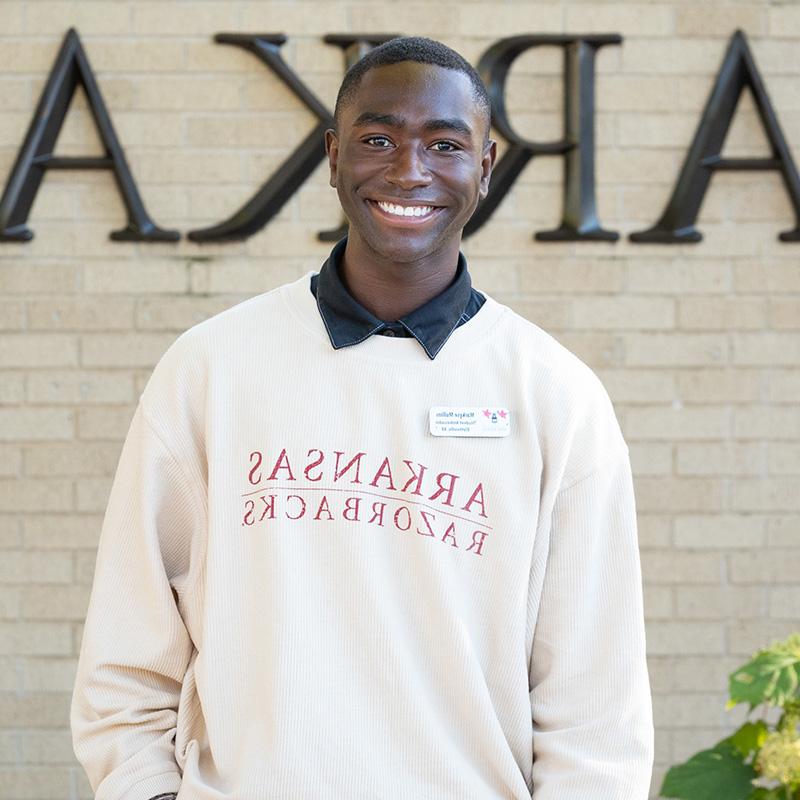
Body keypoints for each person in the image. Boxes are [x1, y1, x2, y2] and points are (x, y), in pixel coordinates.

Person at [70, 36, 654, 800]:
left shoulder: (556, 397)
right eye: (378, 139)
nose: (409, 170)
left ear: (486, 165)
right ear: (334, 155)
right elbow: (127, 651)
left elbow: (595, 712)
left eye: (445, 144)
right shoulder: (213, 367)